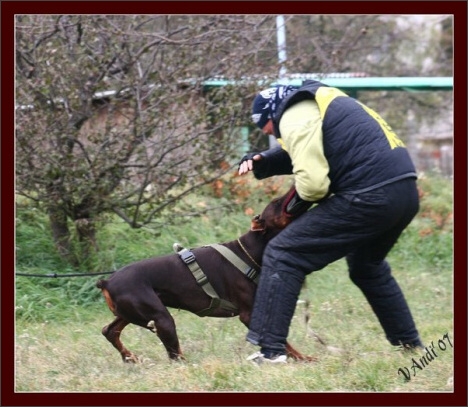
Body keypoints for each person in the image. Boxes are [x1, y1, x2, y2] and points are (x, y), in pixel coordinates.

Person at [238, 80, 424, 364]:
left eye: (270, 129)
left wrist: (289, 209)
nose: (273, 134)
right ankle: (409, 345)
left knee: (284, 253)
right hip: (404, 192)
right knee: (367, 267)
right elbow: (315, 147)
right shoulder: (319, 103)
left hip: (370, 194)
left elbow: (313, 186)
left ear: (273, 114)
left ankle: (271, 352)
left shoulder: (294, 115)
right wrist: (262, 161)